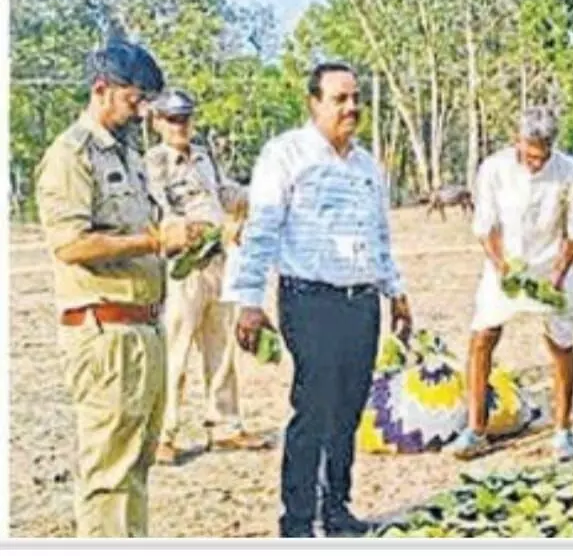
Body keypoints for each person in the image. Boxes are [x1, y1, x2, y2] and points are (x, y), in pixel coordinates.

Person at [222, 62, 412, 538]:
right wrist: (247, 300)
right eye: (339, 99)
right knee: (315, 407)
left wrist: (396, 291)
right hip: (310, 301)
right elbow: (260, 230)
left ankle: (338, 509)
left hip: (361, 302)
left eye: (355, 99)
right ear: (314, 103)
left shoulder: (367, 166)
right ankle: (299, 521)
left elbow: (380, 235)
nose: (351, 108)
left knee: (349, 407)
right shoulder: (286, 155)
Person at [34, 38, 198, 536]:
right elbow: (69, 244)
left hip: (143, 329)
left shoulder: (129, 155)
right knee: (108, 474)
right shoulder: (71, 155)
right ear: (101, 89)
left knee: (136, 467)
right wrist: (152, 239)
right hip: (104, 334)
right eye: (134, 99)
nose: (142, 110)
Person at [447, 106, 573, 462]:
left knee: (561, 344)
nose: (535, 164)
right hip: (505, 267)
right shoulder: (493, 169)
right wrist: (501, 267)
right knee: (482, 338)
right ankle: (476, 430)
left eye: (542, 158)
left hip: (551, 268)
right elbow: (485, 226)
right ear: (518, 142)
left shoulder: (569, 171)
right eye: (529, 156)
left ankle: (562, 430)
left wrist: (557, 275)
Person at [144, 89, 266, 465]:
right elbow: (157, 209)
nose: (181, 126)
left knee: (222, 345)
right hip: (185, 264)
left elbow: (222, 193)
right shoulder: (154, 163)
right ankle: (165, 433)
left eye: (186, 118)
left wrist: (257, 196)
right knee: (176, 350)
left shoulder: (203, 156)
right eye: (173, 119)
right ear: (158, 122)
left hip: (219, 260)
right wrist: (187, 230)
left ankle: (226, 425)